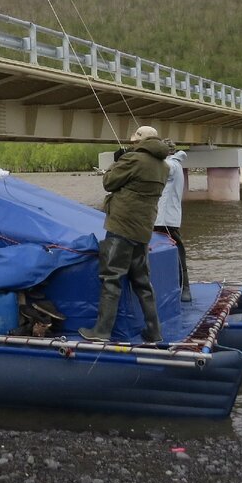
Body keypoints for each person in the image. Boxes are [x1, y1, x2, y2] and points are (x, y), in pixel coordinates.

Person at [79, 125, 168, 343]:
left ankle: (101, 332)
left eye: (134, 143)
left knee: (111, 279)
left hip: (121, 227)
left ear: (139, 142)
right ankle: (154, 331)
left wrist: (119, 160)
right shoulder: (164, 166)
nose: (131, 146)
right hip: (143, 229)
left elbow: (108, 182)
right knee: (143, 282)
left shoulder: (133, 160)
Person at [155, 149, 192, 302]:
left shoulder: (172, 164)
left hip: (167, 220)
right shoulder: (172, 164)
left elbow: (160, 170)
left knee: (177, 254)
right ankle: (169, 286)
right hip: (159, 219)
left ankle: (185, 288)